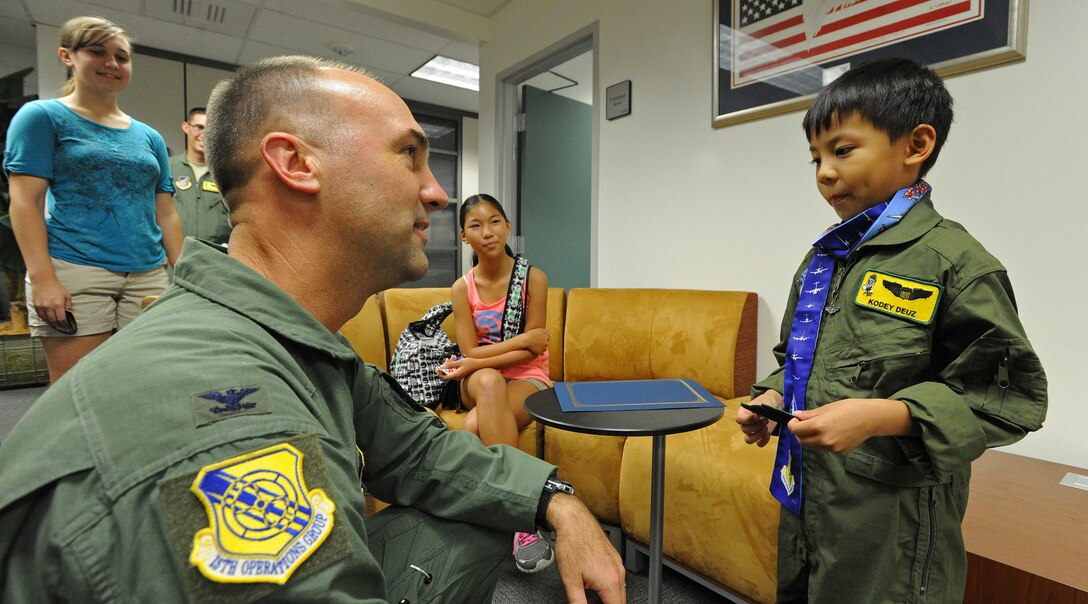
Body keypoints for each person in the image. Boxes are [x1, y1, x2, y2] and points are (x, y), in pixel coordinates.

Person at [0, 55, 625, 603]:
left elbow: (416, 448)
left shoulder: (291, 335)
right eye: (409, 154)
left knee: (485, 503)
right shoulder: (228, 411)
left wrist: (558, 501)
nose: (436, 193)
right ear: (295, 163)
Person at [735, 57, 1048, 603]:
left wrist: (885, 415)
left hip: (894, 522)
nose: (824, 173)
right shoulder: (824, 259)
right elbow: (800, 354)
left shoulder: (953, 262)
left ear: (915, 145)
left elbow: (1009, 399)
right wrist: (773, 392)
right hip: (810, 500)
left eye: (842, 150)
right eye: (815, 158)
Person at [3, 16, 183, 383]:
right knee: (79, 387)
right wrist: (43, 280)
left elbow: (165, 213)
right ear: (67, 56)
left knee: (146, 379)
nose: (112, 64)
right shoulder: (42, 117)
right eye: (97, 52)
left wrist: (182, 275)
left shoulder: (148, 136)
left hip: (147, 273)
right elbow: (25, 203)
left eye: (121, 56)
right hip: (76, 269)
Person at [438, 193, 554, 573]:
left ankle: (479, 522)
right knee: (487, 381)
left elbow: (529, 356)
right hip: (477, 380)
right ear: (464, 236)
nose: (487, 232)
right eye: (476, 225)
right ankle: (523, 522)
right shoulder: (462, 287)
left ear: (507, 226)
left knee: (473, 426)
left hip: (529, 378)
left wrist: (484, 357)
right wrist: (521, 339)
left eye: (494, 221)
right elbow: (471, 350)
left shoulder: (532, 278)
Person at [170, 106, 231, 246]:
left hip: (214, 258)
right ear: (186, 127)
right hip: (175, 259)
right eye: (199, 127)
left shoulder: (225, 173)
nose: (204, 134)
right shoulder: (168, 169)